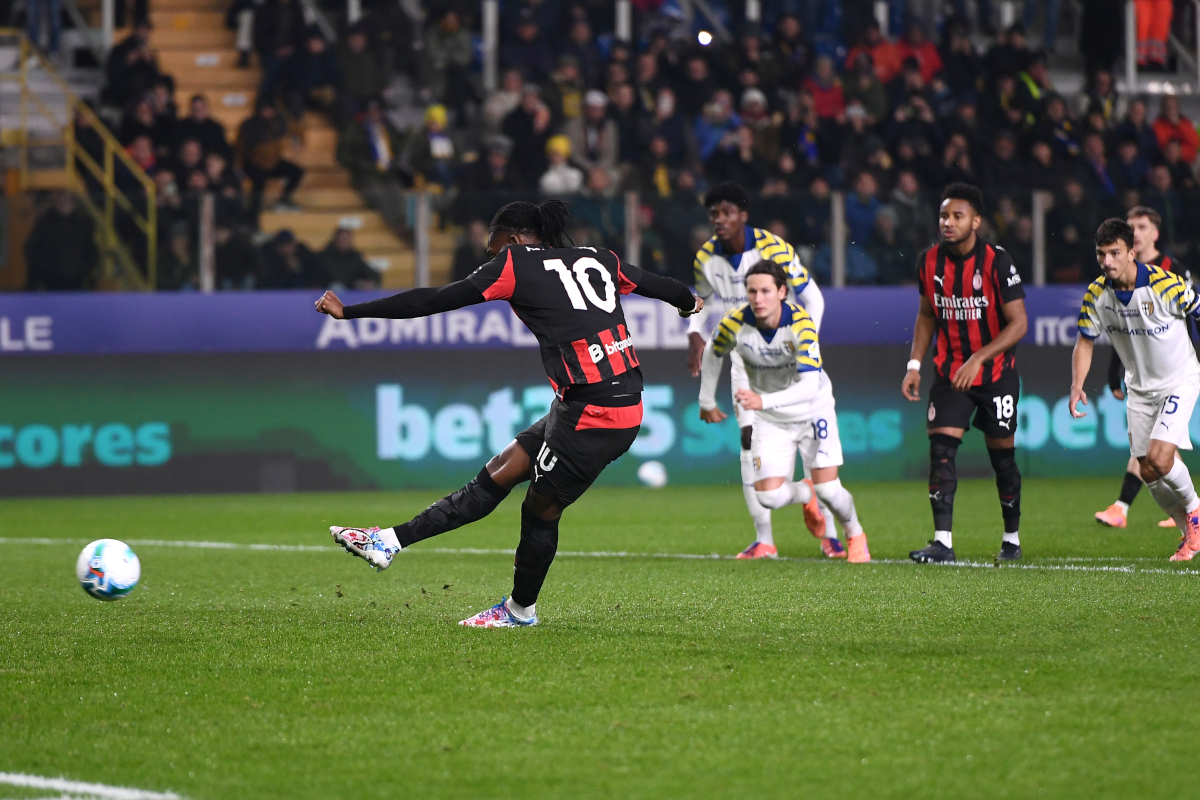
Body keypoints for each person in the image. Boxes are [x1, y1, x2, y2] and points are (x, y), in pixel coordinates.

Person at [315, 200, 702, 627]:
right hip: (589, 402)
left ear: (515, 240)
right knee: (503, 468)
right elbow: (661, 285)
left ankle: (520, 611)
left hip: (598, 412)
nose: (491, 258)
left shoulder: (514, 264)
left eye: (494, 249)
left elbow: (437, 299)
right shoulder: (598, 258)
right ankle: (388, 541)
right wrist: (689, 303)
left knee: (540, 509)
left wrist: (352, 312)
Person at [685, 182, 835, 560]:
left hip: (786, 360)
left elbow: (813, 296)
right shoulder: (706, 257)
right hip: (744, 362)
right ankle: (764, 539)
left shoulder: (773, 249)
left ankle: (830, 530)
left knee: (812, 444)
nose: (719, 220)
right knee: (749, 441)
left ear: (743, 215)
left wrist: (805, 345)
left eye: (726, 213)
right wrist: (692, 332)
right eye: (714, 214)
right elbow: (698, 301)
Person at [698, 261, 871, 563]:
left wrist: (760, 402)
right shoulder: (734, 323)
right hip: (772, 419)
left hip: (812, 411)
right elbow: (712, 352)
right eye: (752, 291)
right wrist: (706, 400)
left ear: (782, 292)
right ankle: (806, 494)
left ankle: (855, 533)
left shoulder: (800, 325)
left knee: (829, 489)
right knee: (768, 496)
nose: (758, 298)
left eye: (766, 291)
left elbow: (807, 387)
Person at [902, 183, 1029, 563]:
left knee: (1002, 459)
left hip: (996, 376)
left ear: (976, 221)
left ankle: (1011, 537)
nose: (948, 222)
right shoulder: (928, 262)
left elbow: (1019, 323)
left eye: (957, 216)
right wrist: (914, 365)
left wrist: (979, 358)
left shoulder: (997, 262)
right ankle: (942, 542)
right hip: (949, 374)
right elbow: (926, 315)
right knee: (941, 451)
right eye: (944, 215)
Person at [1072, 218, 1200, 561]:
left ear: (1133, 252)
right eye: (1102, 254)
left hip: (1179, 380)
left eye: (1115, 253)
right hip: (1139, 390)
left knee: (1161, 458)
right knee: (1146, 469)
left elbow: (1198, 310)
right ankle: (1187, 534)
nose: (1107, 261)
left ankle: (1196, 510)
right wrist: (1076, 384)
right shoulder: (1097, 294)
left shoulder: (1165, 284)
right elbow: (1085, 341)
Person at [1095, 206, 1189, 530]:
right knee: (1153, 457)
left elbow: (1188, 320)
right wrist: (1114, 372)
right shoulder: (1116, 276)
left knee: (1157, 454)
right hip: (1142, 378)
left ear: (1154, 234)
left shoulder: (1172, 271)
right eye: (1130, 225)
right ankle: (1180, 514)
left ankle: (1128, 507)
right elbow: (1124, 332)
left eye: (1141, 225)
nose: (1134, 229)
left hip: (1176, 374)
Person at [235, 102, 305, 217]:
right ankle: (254, 212)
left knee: (297, 172)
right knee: (259, 182)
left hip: (274, 163)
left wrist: (299, 140)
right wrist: (238, 165)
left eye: (270, 110)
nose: (268, 113)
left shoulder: (279, 122)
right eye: (265, 110)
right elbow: (239, 148)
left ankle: (284, 199)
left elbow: (296, 129)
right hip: (253, 164)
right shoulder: (249, 125)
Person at [24, 192, 98, 291]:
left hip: (77, 282)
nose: (63, 201)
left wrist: (83, 270)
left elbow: (91, 250)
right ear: (55, 201)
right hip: (49, 283)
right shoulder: (45, 222)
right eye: (61, 198)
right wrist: (44, 270)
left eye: (67, 199)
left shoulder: (84, 223)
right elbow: (31, 249)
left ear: (74, 201)